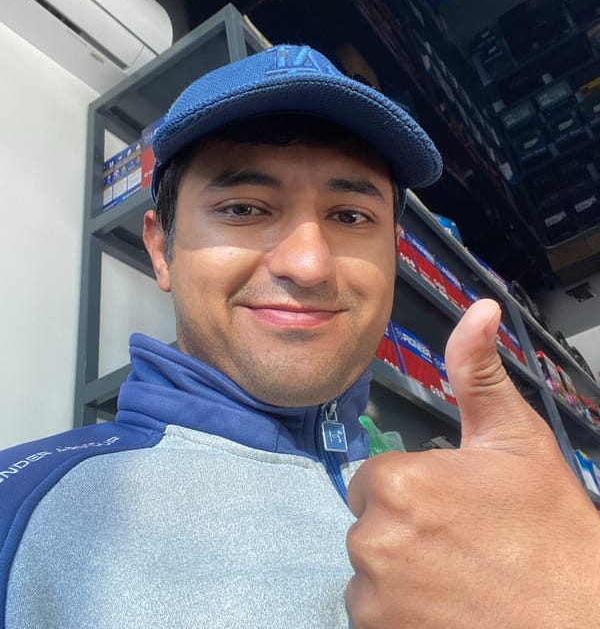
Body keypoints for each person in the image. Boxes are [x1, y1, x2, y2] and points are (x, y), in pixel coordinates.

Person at [1, 44, 598, 628]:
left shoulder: (462, 510)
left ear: (391, 255)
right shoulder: (23, 507)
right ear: (161, 249)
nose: (309, 264)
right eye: (243, 208)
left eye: (349, 216)